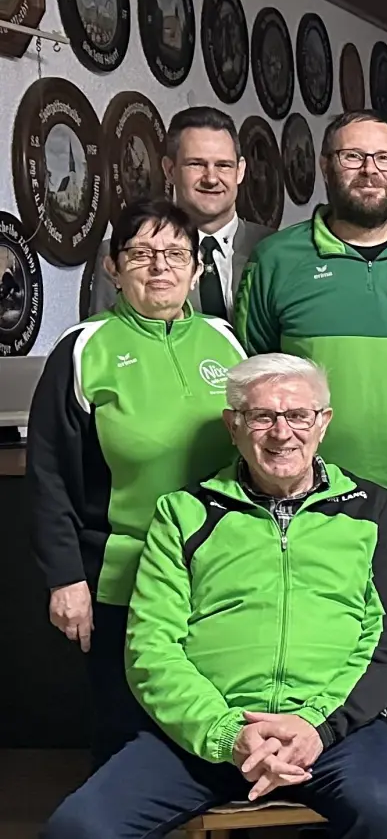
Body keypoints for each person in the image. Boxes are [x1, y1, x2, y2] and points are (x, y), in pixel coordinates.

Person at [42, 354, 387, 838]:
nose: (282, 432)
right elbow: (151, 647)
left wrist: (316, 726)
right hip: (206, 733)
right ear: (232, 425)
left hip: (336, 731)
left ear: (323, 423)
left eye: (298, 415)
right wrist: (228, 733)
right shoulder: (182, 512)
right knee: (78, 827)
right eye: (262, 417)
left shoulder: (372, 508)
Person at [28, 200, 245, 768]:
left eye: (176, 254)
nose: (160, 267)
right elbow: (48, 475)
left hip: (220, 576)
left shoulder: (226, 341)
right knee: (128, 735)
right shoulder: (83, 349)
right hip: (123, 577)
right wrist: (66, 578)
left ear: (197, 269)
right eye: (142, 254)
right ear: (113, 268)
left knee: (216, 724)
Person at [234, 111, 387, 531]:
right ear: (325, 165)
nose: (370, 170)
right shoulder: (276, 260)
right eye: (352, 156)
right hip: (306, 499)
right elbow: (251, 379)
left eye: (385, 158)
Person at [89, 107, 272, 318]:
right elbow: (105, 334)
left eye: (223, 165)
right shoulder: (124, 254)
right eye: (196, 164)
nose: (211, 179)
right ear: (169, 170)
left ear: (240, 171)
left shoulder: (275, 249)